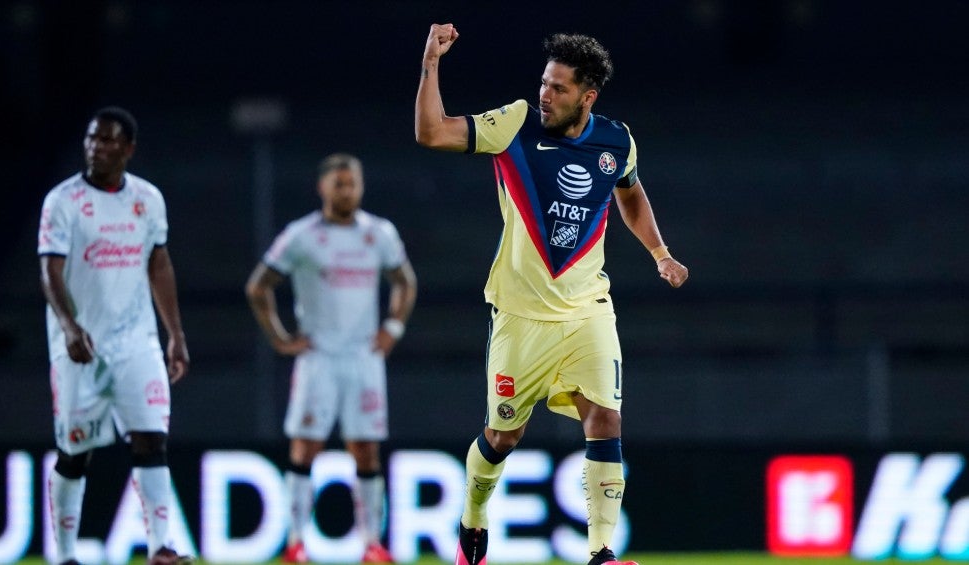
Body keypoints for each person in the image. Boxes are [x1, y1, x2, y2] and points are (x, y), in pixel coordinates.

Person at [415, 24, 689, 565]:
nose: (545, 94)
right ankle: (473, 515)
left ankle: (602, 553)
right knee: (502, 438)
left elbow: (630, 196)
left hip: (588, 308)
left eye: (559, 88)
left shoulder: (616, 140)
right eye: (544, 82)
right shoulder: (515, 124)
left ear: (587, 97)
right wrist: (430, 63)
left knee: (605, 419)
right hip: (521, 317)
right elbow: (431, 132)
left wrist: (660, 252)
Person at [37, 107, 193, 565]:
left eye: (107, 141)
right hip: (79, 348)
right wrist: (69, 326)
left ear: (128, 149)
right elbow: (50, 269)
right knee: (74, 453)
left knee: (151, 440)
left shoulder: (147, 199)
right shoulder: (62, 201)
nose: (96, 148)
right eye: (91, 139)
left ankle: (161, 547)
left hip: (136, 344)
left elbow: (159, 263)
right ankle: (64, 554)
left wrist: (175, 334)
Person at [245, 153, 417, 564]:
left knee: (367, 452)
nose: (347, 190)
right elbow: (258, 286)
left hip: (363, 358)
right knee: (305, 449)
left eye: (353, 183)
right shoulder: (301, 235)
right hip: (318, 358)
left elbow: (404, 281)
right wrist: (281, 339)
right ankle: (296, 542)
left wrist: (392, 329)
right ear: (323, 187)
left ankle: (371, 544)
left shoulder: (379, 233)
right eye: (339, 183)